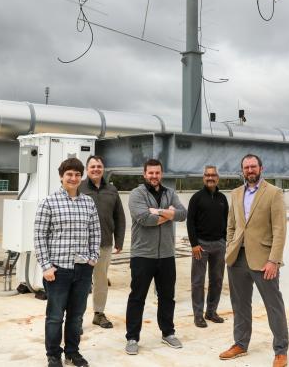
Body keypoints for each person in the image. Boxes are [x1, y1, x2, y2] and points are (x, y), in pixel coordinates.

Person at [219, 154, 289, 367]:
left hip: (264, 259)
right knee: (239, 304)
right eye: (246, 167)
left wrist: (274, 260)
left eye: (253, 166)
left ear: (261, 168)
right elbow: (231, 225)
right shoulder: (235, 193)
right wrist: (230, 246)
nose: (250, 170)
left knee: (273, 305)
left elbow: (280, 229)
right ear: (242, 170)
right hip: (237, 258)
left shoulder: (274, 193)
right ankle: (240, 343)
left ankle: (280, 350)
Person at [34, 157, 101, 367]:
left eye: (77, 174)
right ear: (61, 176)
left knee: (76, 317)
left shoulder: (88, 203)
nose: (73, 178)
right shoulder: (48, 202)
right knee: (55, 317)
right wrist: (46, 267)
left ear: (81, 177)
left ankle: (72, 352)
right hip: (58, 270)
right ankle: (53, 355)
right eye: (69, 174)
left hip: (82, 270)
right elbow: (39, 236)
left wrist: (92, 259)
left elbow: (95, 232)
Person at [125, 158, 188, 355]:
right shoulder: (137, 194)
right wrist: (168, 214)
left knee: (167, 296)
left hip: (167, 254)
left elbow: (183, 214)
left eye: (157, 173)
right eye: (150, 173)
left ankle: (168, 333)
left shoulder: (170, 193)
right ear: (144, 174)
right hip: (143, 254)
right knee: (138, 297)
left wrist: (158, 212)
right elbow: (145, 218)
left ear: (161, 174)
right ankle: (132, 337)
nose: (154, 176)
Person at [79, 155, 126, 329]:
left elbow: (119, 216)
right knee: (81, 282)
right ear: (87, 169)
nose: (96, 169)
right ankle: (76, 318)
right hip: (82, 245)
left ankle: (99, 314)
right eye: (92, 167)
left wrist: (119, 240)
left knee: (100, 281)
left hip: (104, 243)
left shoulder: (112, 190)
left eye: (99, 166)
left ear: (103, 168)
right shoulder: (79, 187)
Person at [186, 165, 228, 328]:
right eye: (207, 175)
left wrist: (224, 241)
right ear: (203, 177)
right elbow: (190, 222)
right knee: (197, 281)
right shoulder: (196, 198)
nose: (210, 178)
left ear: (217, 177)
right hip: (201, 246)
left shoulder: (222, 198)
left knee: (217, 280)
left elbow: (227, 221)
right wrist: (194, 244)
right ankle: (198, 315)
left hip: (219, 245)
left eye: (213, 175)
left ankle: (211, 312)